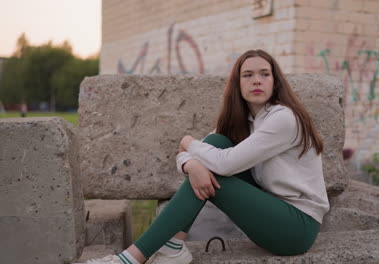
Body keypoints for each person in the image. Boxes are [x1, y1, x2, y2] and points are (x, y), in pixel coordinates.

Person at [80, 49, 329, 264]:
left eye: (265, 74)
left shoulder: (283, 118)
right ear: (238, 84)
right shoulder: (245, 122)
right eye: (248, 75)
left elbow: (224, 163)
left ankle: (131, 259)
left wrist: (187, 142)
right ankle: (173, 247)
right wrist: (192, 166)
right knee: (216, 142)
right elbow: (204, 152)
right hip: (269, 212)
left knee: (212, 161)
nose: (257, 80)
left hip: (296, 227)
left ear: (275, 82)